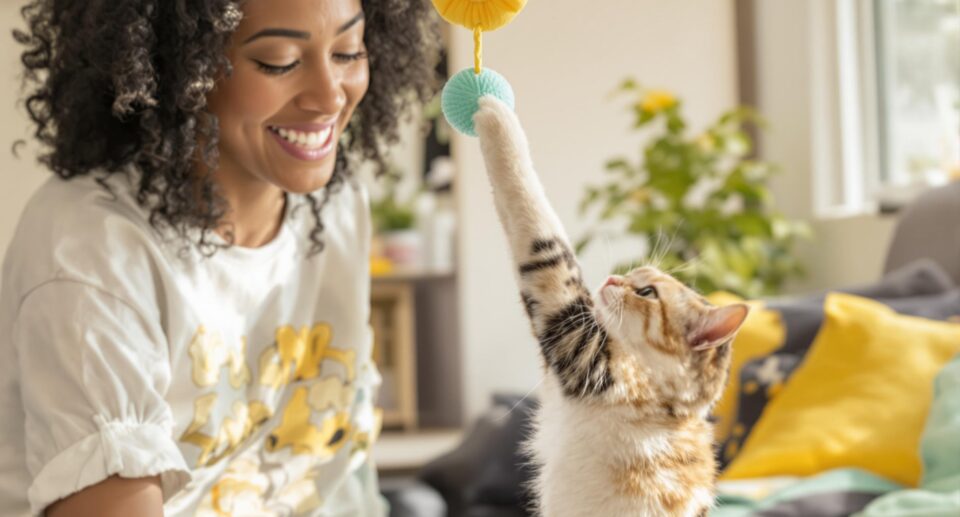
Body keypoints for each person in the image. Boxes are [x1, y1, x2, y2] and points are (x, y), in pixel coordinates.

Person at [0, 0, 438, 514]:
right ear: (180, 66)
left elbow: (342, 466)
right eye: (278, 61)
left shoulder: (336, 205)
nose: (329, 97)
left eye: (348, 51)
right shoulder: (89, 251)